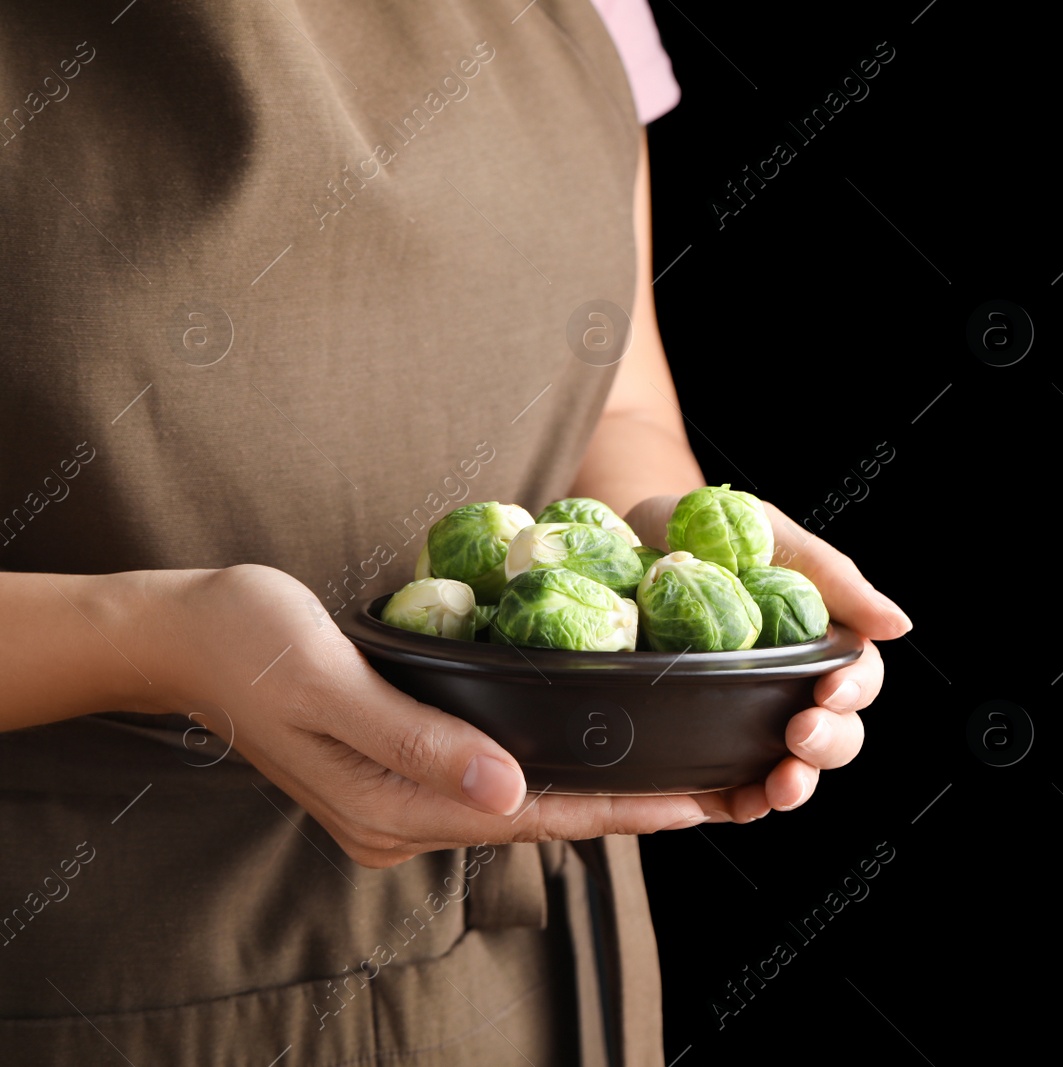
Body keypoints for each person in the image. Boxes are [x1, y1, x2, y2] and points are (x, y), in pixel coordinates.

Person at [0, 2, 910, 1064]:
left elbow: (612, 406)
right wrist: (152, 641)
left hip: (523, 983)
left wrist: (682, 567)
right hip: (99, 971)